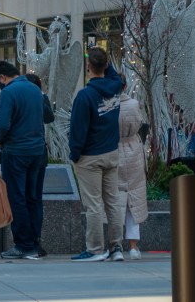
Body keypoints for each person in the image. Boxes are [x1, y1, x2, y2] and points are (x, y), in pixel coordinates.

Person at [68, 46, 125, 262]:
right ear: (106, 65)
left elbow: (77, 130)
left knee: (93, 204)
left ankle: (94, 249)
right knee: (112, 202)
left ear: (88, 67)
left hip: (89, 156)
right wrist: (105, 62)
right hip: (111, 153)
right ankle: (116, 247)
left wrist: (75, 154)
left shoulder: (85, 96)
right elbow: (112, 74)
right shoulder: (116, 87)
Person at [0, 60, 48, 261]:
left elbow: (3, 123)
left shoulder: (8, 92)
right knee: (33, 198)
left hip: (16, 151)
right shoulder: (34, 89)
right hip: (37, 151)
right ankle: (35, 243)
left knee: (17, 198)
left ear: (2, 77)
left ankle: (23, 245)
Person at [117, 78, 147, 260]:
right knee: (134, 197)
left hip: (112, 149)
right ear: (125, 86)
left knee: (114, 198)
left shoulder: (105, 105)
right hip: (133, 150)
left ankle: (115, 244)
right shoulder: (134, 104)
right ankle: (134, 246)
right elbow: (140, 124)